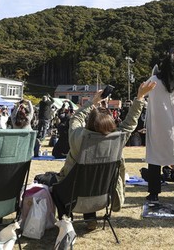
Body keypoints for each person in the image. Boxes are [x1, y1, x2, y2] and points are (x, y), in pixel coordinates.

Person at [54, 80, 155, 230]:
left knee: (54, 186)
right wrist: (139, 97)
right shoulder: (117, 139)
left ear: (88, 124)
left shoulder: (78, 137)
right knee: (92, 178)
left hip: (74, 195)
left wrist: (93, 102)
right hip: (104, 195)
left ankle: (65, 218)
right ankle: (90, 218)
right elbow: (130, 123)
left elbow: (75, 119)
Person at [142, 49, 174, 203]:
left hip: (159, 125)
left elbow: (143, 91)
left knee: (155, 158)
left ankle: (154, 194)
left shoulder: (153, 80)